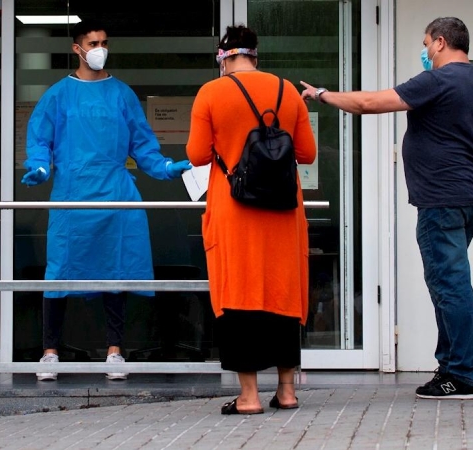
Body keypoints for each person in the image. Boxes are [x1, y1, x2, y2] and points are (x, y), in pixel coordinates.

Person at [301, 17, 473, 400]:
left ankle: (462, 375)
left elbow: (370, 103)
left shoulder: (437, 80)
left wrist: (323, 94)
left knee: (450, 286)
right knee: (447, 284)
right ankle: (450, 368)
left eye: (425, 43)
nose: (424, 51)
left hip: (441, 202)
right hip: (471, 201)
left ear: (440, 42)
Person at [22, 19, 191, 381]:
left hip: (116, 194)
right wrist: (38, 167)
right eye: (93, 42)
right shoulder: (58, 95)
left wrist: (164, 167)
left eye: (104, 42)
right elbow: (40, 140)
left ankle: (115, 350)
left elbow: (143, 145)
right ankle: (49, 351)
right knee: (59, 272)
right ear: (77, 49)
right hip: (73, 196)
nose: (100, 48)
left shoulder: (122, 95)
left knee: (116, 271)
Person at [186, 25, 317, 414]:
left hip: (234, 213)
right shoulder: (288, 91)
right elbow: (307, 153)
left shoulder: (211, 92)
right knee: (282, 293)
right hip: (283, 213)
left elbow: (196, 154)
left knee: (239, 295)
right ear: (255, 55)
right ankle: (288, 390)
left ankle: (248, 396)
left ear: (223, 57)